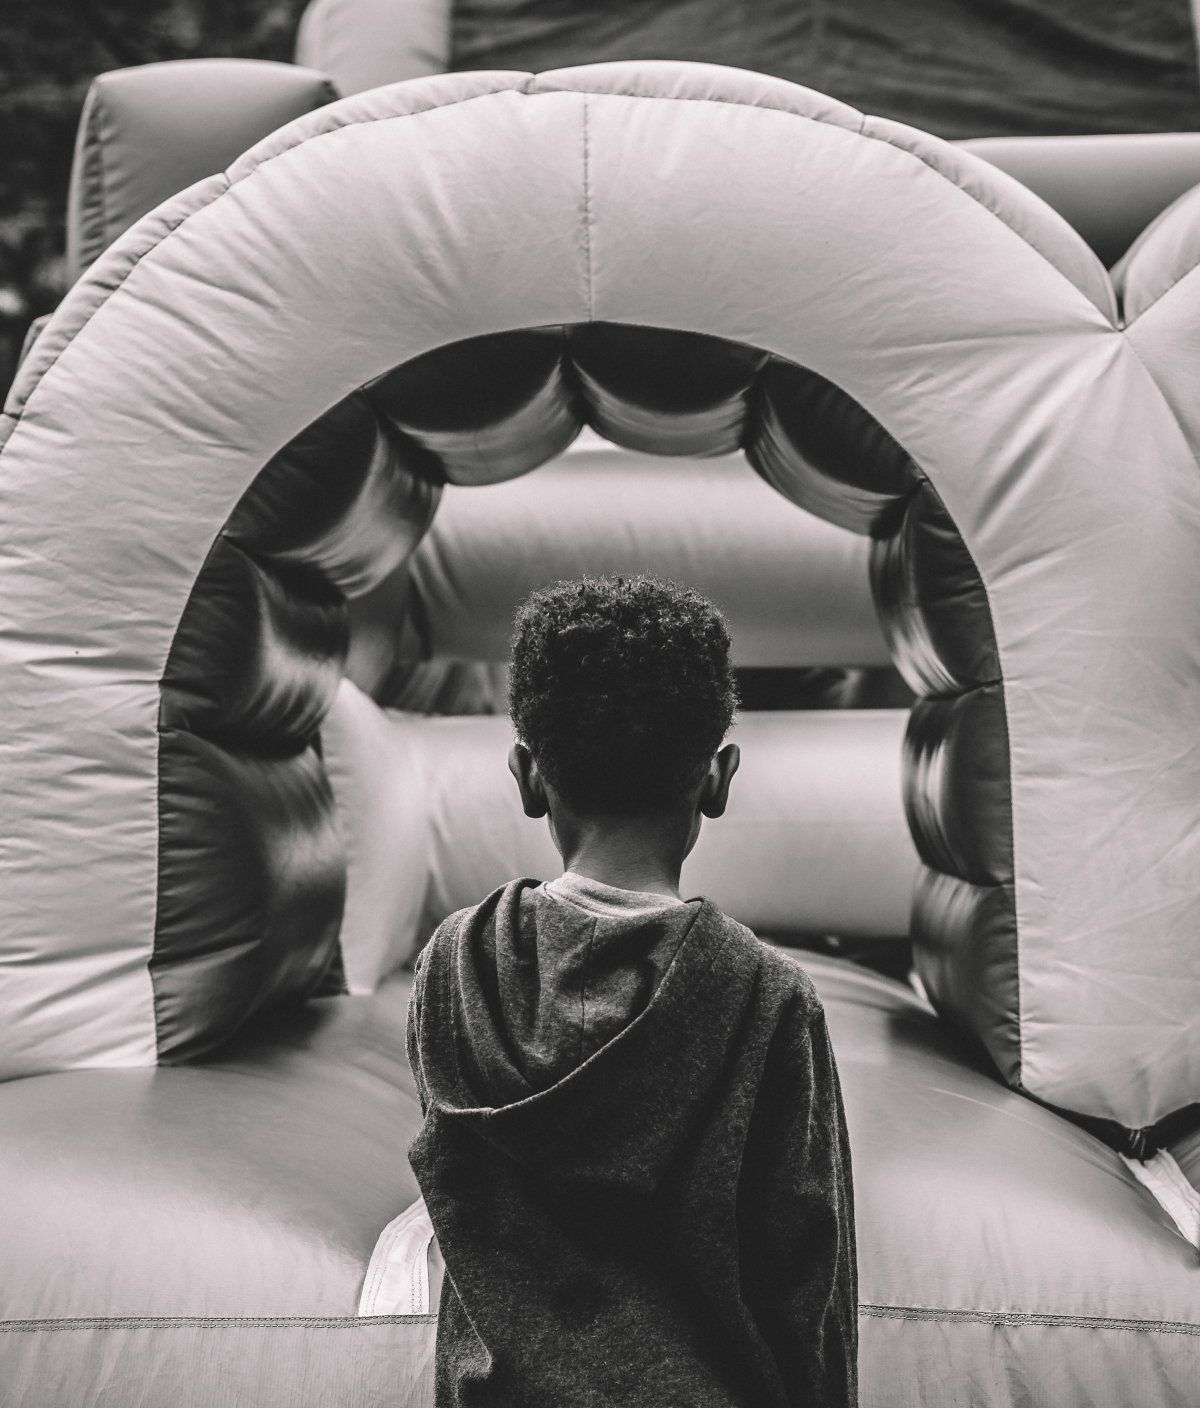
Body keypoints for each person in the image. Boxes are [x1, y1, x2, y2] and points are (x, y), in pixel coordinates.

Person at [406, 575, 857, 1407]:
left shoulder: (454, 969)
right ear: (718, 779)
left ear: (527, 776)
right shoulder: (769, 1003)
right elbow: (808, 1289)